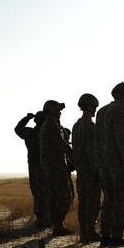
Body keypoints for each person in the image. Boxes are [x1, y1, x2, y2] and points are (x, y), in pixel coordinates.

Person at [96, 82, 124, 247]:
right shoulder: (119, 111)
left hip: (104, 163)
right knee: (122, 200)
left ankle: (105, 235)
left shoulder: (101, 111)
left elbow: (97, 140)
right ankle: (116, 236)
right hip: (118, 164)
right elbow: (122, 139)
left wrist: (99, 162)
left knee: (109, 199)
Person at [38, 100, 73, 237]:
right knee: (65, 196)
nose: (60, 113)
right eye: (58, 110)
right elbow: (61, 145)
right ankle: (58, 222)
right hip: (55, 166)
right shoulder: (51, 126)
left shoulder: (47, 126)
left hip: (51, 165)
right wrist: (75, 155)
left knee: (54, 196)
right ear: (52, 111)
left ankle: (57, 226)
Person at [72, 93, 101, 243]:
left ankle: (84, 233)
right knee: (93, 201)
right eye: (95, 106)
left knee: (83, 200)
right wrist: (97, 170)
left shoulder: (76, 125)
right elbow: (92, 150)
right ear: (90, 106)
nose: (95, 109)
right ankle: (90, 231)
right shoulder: (89, 125)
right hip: (90, 169)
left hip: (81, 169)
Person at [14, 110, 49, 227]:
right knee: (46, 192)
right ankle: (47, 219)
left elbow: (17, 129)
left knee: (37, 192)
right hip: (44, 166)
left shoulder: (29, 133)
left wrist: (27, 118)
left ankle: (40, 218)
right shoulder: (46, 132)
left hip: (33, 166)